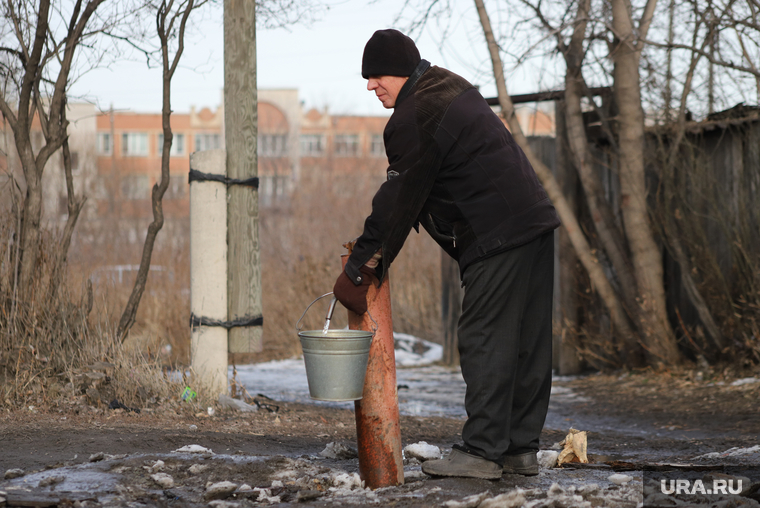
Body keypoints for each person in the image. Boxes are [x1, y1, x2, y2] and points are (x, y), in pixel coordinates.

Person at [332, 29, 561, 480]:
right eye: (367, 77)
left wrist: (360, 267)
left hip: (497, 234)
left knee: (486, 338)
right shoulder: (450, 86)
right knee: (526, 343)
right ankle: (517, 449)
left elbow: (398, 200)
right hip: (533, 222)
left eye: (378, 76)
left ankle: (480, 452)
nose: (370, 85)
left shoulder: (415, 114)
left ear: (402, 72)